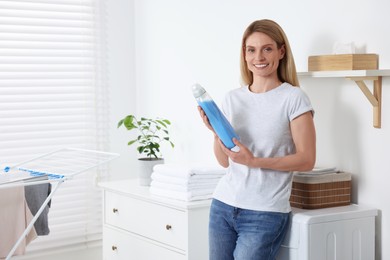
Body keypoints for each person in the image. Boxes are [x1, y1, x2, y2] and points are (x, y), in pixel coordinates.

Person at [197, 19, 316, 260]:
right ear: (244, 54)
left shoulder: (293, 98)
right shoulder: (232, 98)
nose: (259, 57)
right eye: (251, 50)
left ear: (281, 52)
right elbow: (224, 161)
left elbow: (307, 160)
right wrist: (214, 131)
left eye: (267, 49)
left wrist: (254, 161)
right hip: (223, 204)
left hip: (265, 212)